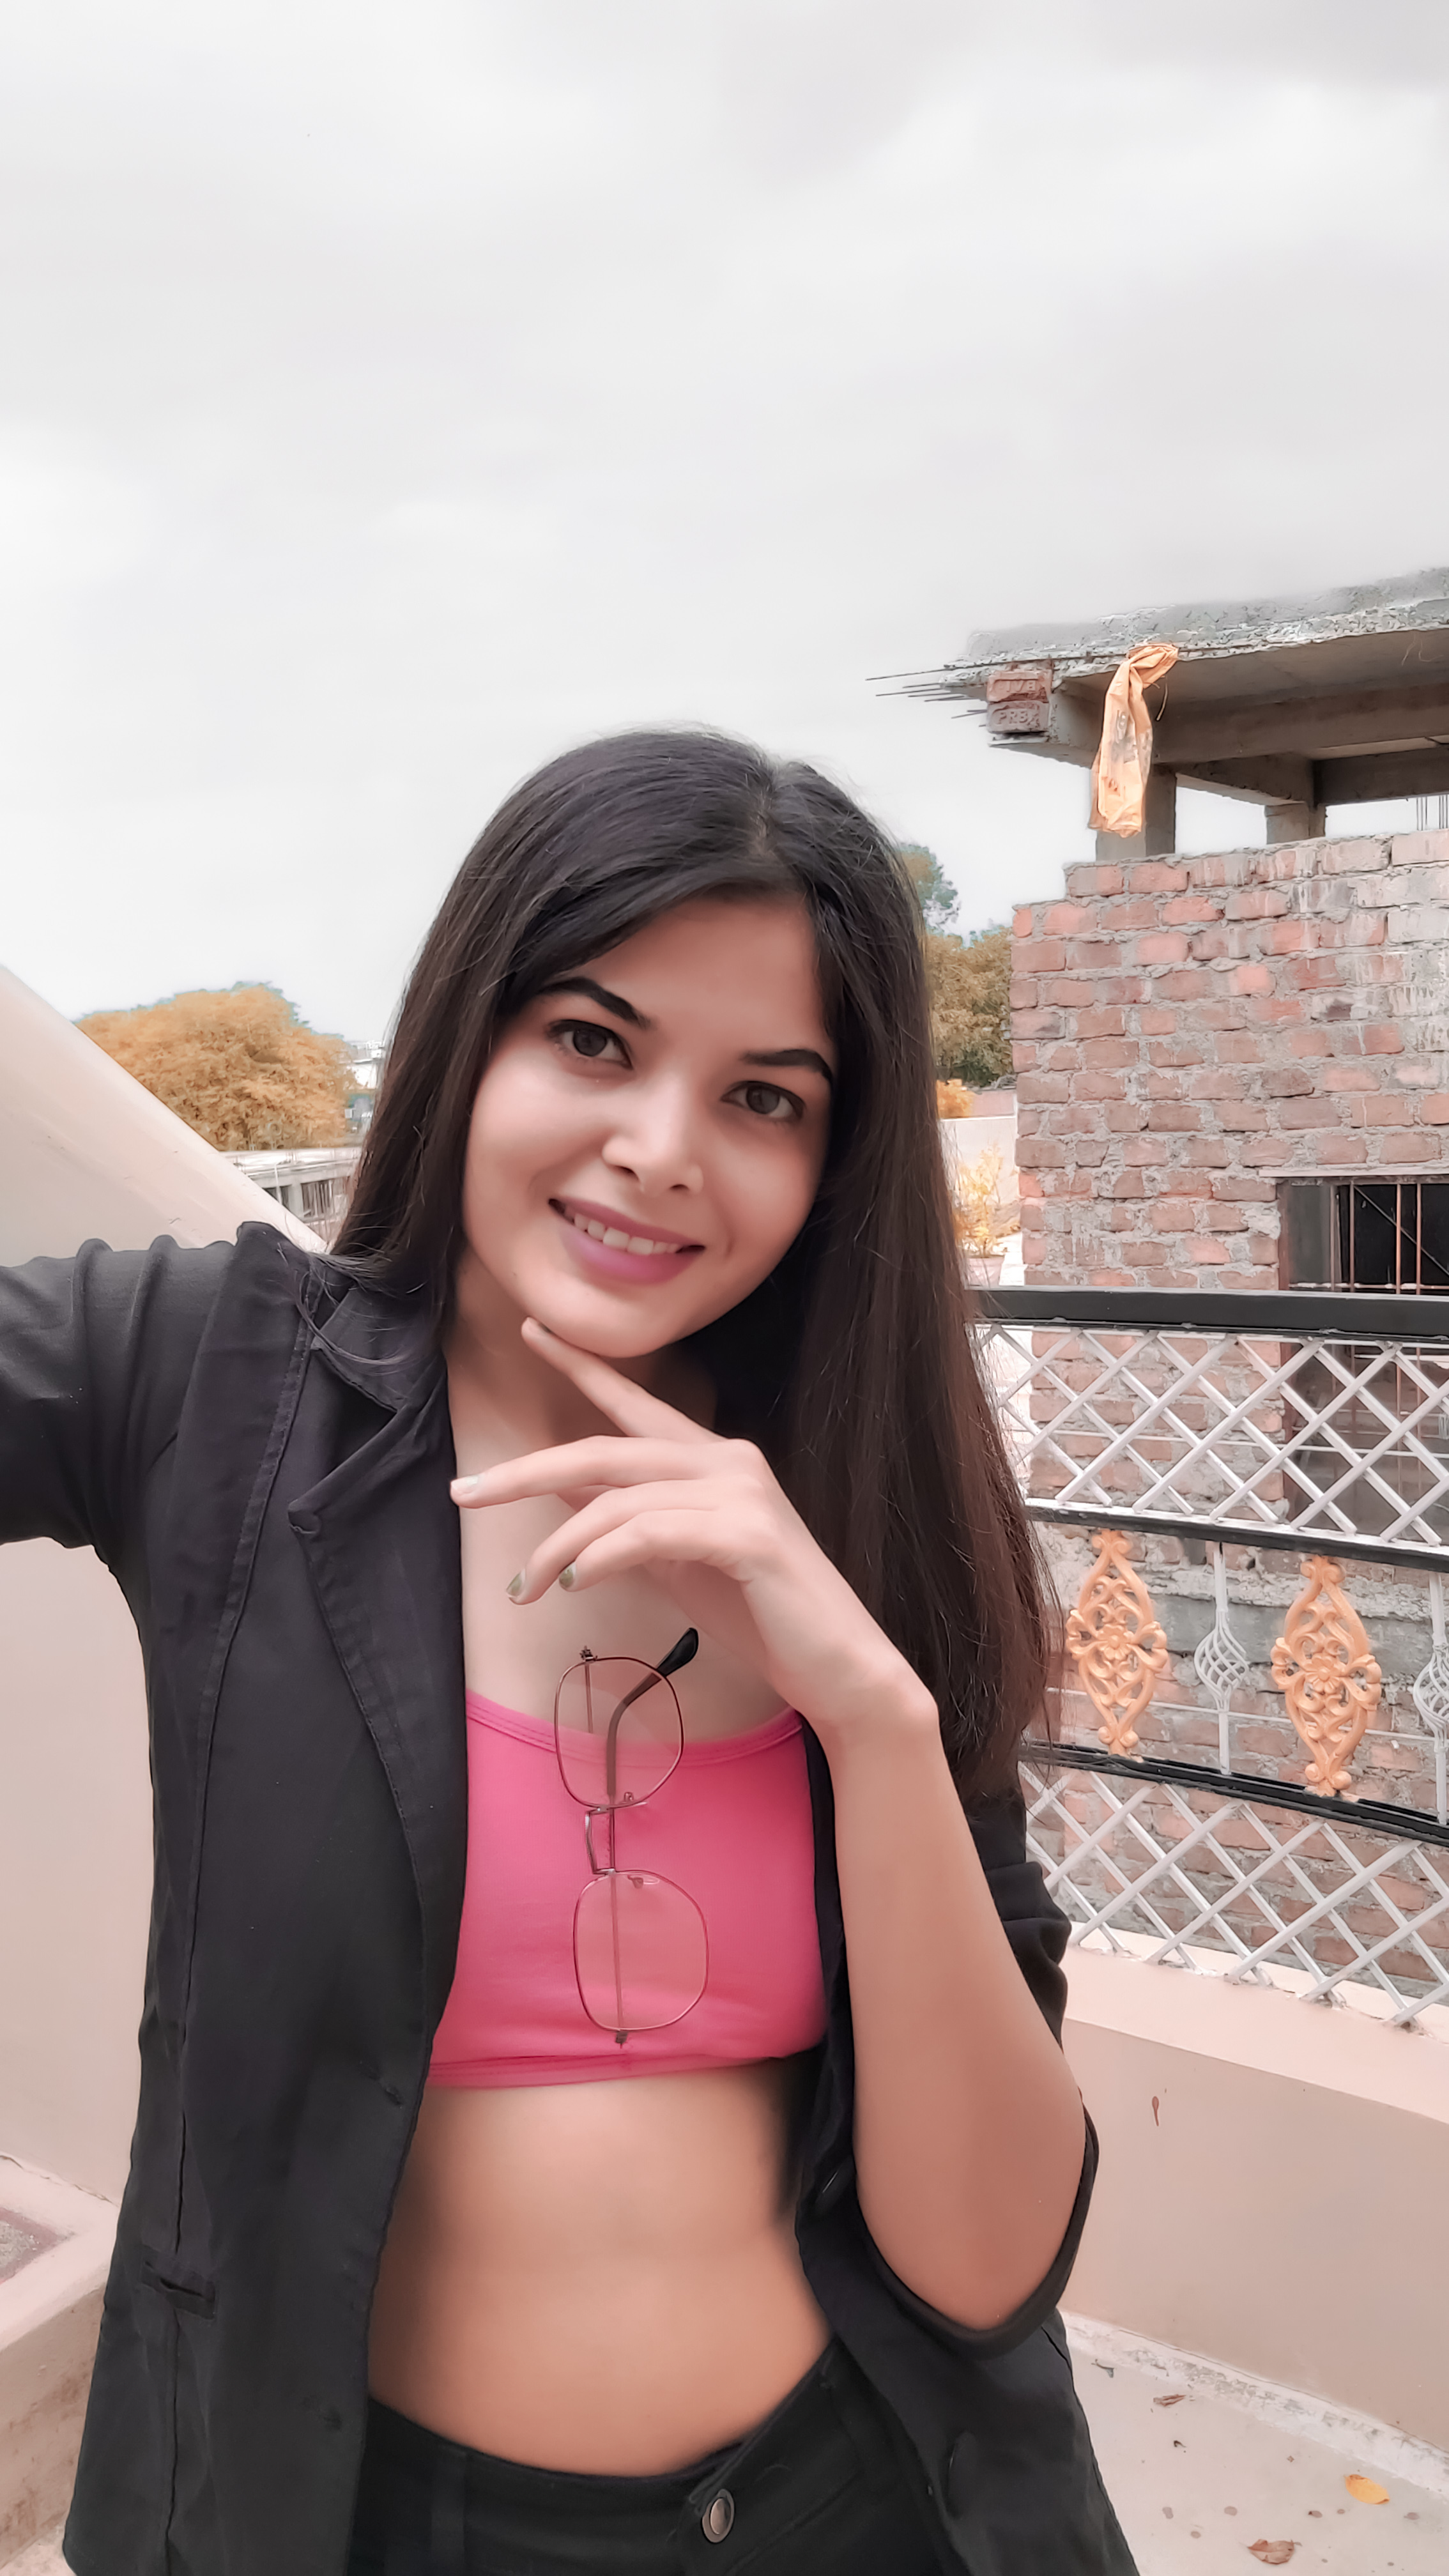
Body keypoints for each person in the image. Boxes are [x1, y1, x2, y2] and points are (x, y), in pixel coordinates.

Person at [0, 732, 1135, 2576]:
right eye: (595, 1041)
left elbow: (988, 2266)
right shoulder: (219, 1382)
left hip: (859, 2505)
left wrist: (870, 1717)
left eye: (763, 1097)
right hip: (361, 2521)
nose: (660, 1152)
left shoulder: (858, 1493)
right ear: (473, 1034)